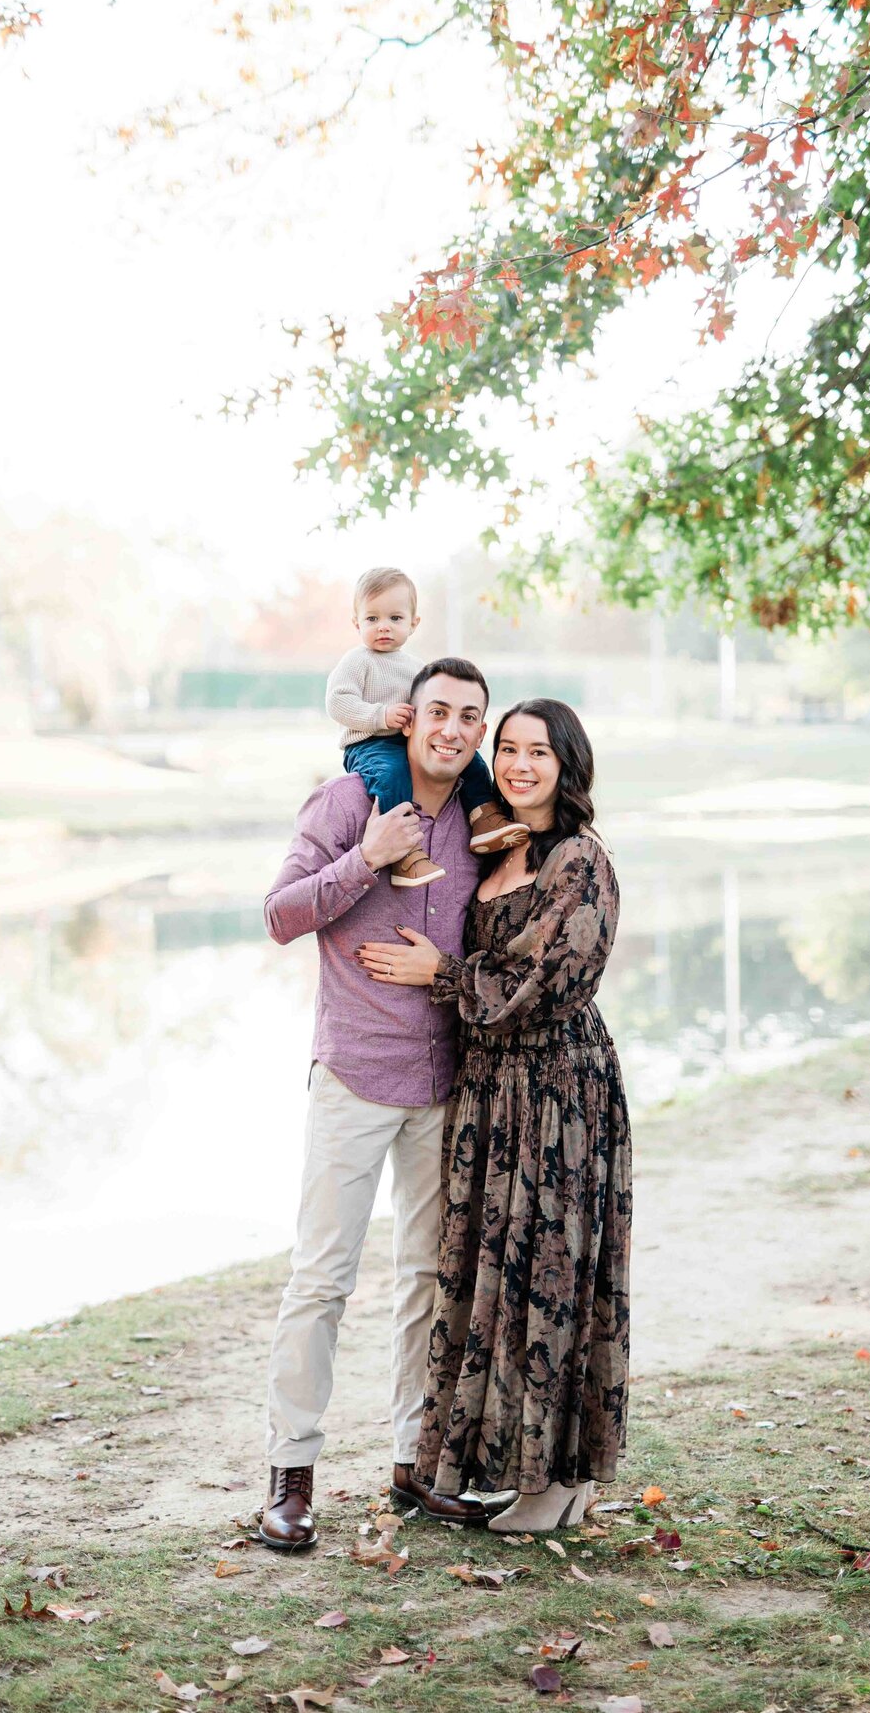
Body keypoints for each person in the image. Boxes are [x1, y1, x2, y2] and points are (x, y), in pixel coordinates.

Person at [257, 658, 516, 1552]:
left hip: (444, 1087)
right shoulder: (347, 804)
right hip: (354, 1078)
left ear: (479, 732)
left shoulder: (485, 826)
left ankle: (413, 1463)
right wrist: (364, 862)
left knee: (424, 1283)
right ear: (409, 721)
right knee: (321, 1281)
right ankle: (291, 1474)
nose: (451, 728)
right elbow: (280, 914)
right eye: (437, 710)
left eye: (468, 717)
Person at [357, 699, 632, 1533]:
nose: (518, 765)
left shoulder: (581, 860)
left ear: (568, 764)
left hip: (557, 1096)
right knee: (494, 1281)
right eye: (507, 749)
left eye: (537, 753)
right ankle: (524, 1471)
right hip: (488, 1093)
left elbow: (543, 983)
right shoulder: (495, 847)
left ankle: (556, 1480)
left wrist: (443, 973)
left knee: (550, 1275)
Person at [326, 566, 527, 887]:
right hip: (369, 744)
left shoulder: (417, 668)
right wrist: (380, 716)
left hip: (406, 742)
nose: (383, 628)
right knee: (392, 776)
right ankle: (405, 853)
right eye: (372, 619)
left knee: (472, 762)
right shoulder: (358, 661)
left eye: (395, 618)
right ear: (356, 623)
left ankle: (483, 817)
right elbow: (337, 703)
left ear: (413, 623)